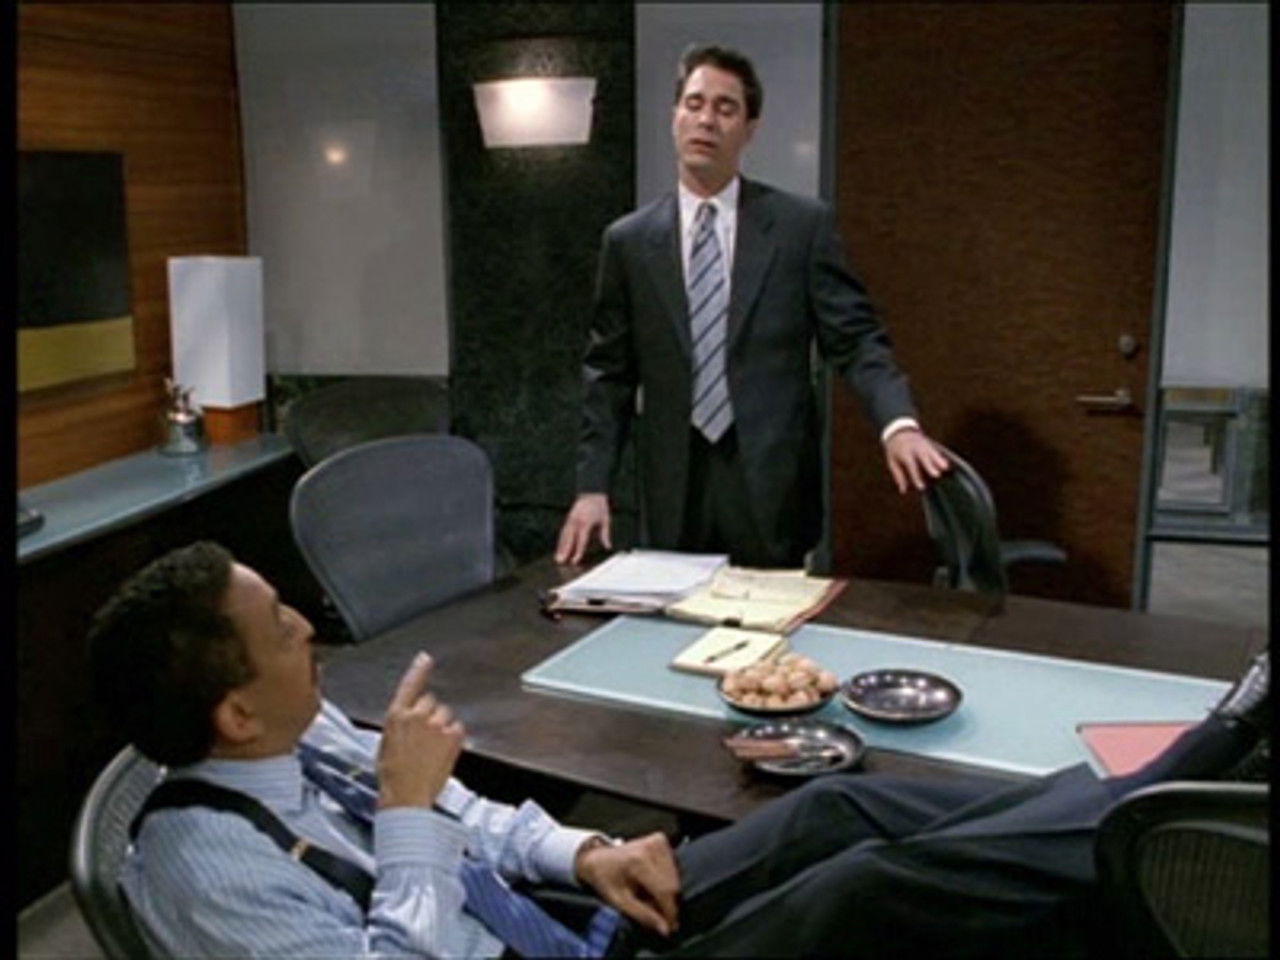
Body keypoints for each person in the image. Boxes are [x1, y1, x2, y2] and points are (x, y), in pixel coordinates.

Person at [91, 542, 1268, 958]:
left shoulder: (305, 733)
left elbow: (480, 827)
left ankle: (1128, 796)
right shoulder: (207, 872)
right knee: (872, 888)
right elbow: (416, 865)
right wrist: (404, 817)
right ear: (231, 714)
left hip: (565, 921)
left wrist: (587, 852)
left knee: (834, 809)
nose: (310, 630)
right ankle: (1169, 789)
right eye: (282, 629)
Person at [556, 43, 950, 569]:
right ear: (674, 116)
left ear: (750, 129)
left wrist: (898, 424)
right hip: (674, 485)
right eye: (694, 103)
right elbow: (609, 374)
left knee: (770, 616)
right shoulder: (629, 242)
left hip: (771, 483)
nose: (707, 120)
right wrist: (592, 485)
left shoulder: (799, 228)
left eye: (726, 108)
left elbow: (856, 340)